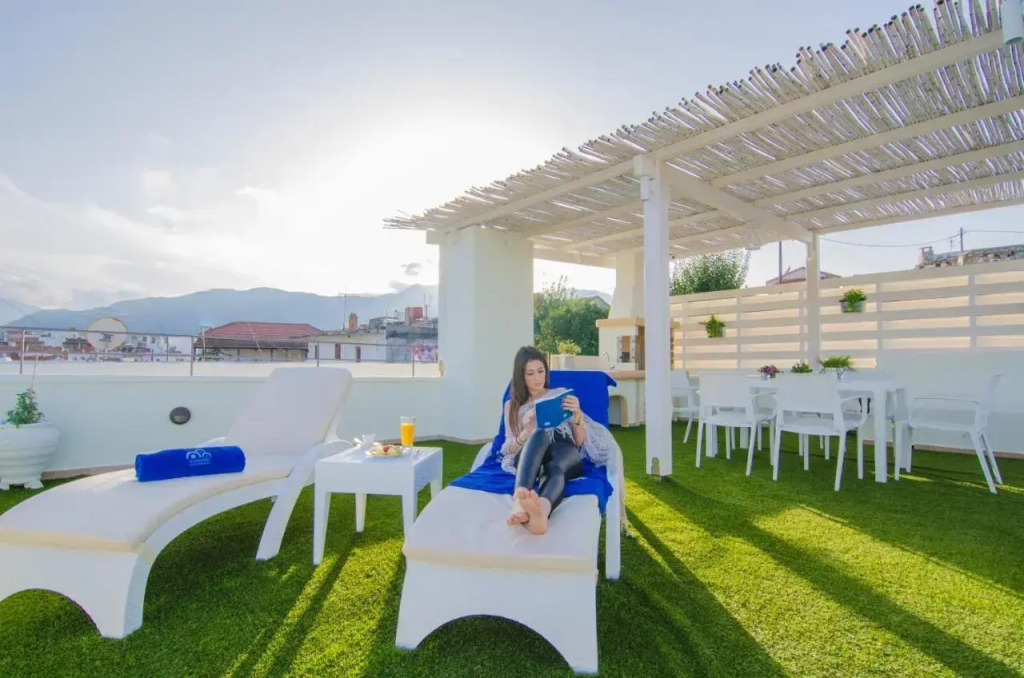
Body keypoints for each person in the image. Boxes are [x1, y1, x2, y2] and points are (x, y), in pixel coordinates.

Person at [499, 346, 616, 535]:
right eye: (530, 373)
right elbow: (508, 449)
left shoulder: (560, 394)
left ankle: (541, 513)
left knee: (556, 468)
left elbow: (579, 442)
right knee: (539, 433)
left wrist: (577, 415)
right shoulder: (512, 406)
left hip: (564, 451)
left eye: (541, 371)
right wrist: (527, 431)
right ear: (521, 376)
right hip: (530, 453)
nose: (538, 378)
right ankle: (519, 501)